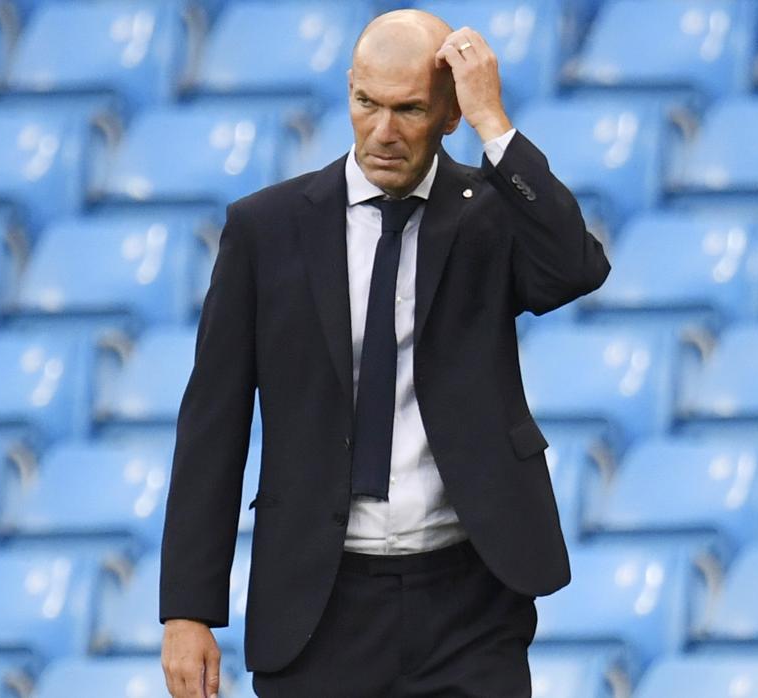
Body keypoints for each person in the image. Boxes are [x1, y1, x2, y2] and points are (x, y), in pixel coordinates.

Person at [159, 9, 611, 698]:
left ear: (449, 115)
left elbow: (574, 268)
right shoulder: (265, 229)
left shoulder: (488, 213)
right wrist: (188, 610)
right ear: (349, 90)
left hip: (470, 601)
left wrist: (496, 124)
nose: (383, 131)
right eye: (367, 103)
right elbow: (213, 426)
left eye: (409, 110)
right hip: (318, 602)